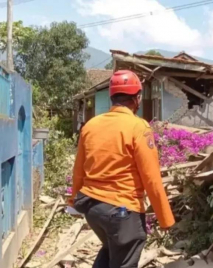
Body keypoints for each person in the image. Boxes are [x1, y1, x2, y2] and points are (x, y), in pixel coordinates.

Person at [68, 70, 175, 268]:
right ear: (138, 98)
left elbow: (79, 170)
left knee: (111, 250)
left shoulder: (91, 126)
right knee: (124, 257)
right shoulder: (138, 127)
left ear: (112, 96)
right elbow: (151, 177)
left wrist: (73, 200)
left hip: (92, 208)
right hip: (122, 212)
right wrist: (165, 219)